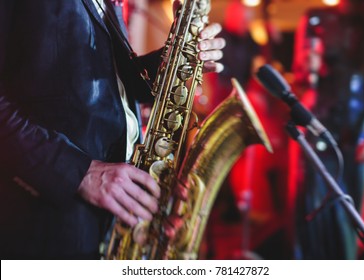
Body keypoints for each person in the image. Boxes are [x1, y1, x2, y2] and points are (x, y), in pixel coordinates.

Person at [0, 0, 225, 259]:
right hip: (46, 224)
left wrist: (179, 57)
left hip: (113, 213)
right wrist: (80, 173)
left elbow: (110, 81)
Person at [292, 0, 364, 259]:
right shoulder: (316, 18)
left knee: (349, 213)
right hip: (318, 125)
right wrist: (306, 69)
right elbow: (302, 79)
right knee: (314, 211)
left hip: (356, 132)